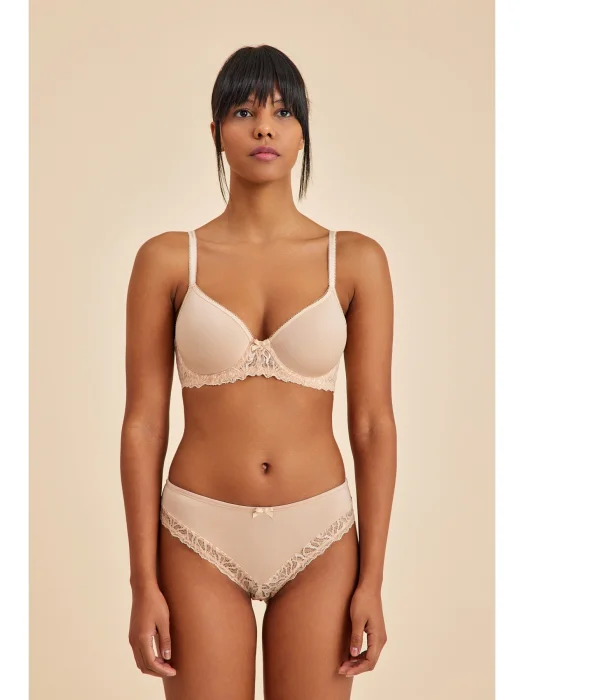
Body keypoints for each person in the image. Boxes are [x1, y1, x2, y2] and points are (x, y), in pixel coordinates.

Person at [120, 44, 397, 699]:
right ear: (216, 131)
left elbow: (372, 424)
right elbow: (142, 425)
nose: (264, 127)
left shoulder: (356, 261)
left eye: (282, 112)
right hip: (196, 534)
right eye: (244, 111)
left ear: (302, 132)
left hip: (321, 536)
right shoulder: (168, 260)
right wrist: (142, 583)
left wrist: (373, 580)